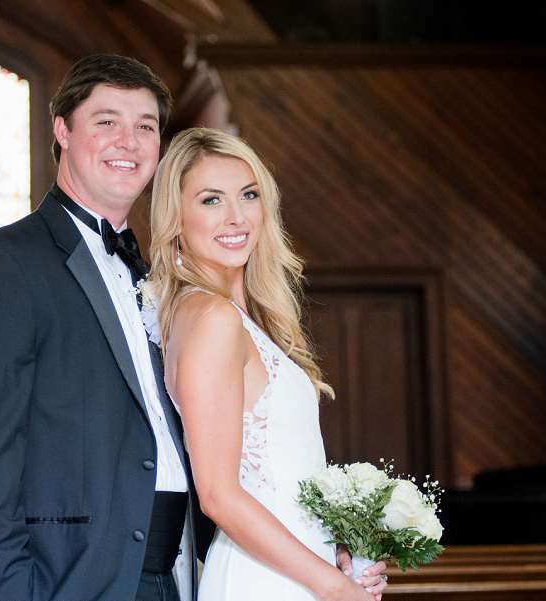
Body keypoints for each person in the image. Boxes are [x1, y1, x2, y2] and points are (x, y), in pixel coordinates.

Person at [0, 54, 200, 601]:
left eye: (145, 127)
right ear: (62, 131)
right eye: (107, 122)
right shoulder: (0, 264)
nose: (129, 141)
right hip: (67, 582)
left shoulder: (156, 276)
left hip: (178, 577)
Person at [147, 128, 389, 601]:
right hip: (265, 580)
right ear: (176, 218)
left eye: (249, 195)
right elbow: (217, 493)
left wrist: (337, 553)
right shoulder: (213, 319)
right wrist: (332, 586)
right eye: (211, 200)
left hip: (294, 568)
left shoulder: (231, 314)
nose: (236, 216)